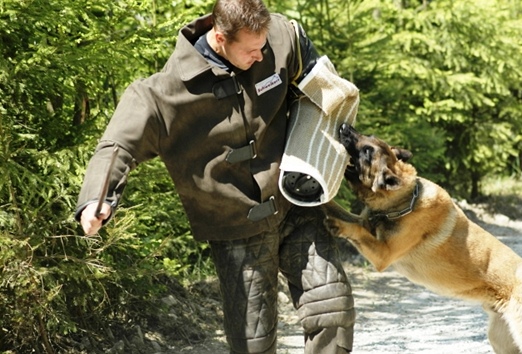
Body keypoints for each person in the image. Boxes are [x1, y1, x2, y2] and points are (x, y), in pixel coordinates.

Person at [74, 0, 356, 353]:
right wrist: (96, 201)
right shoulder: (161, 94)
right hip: (235, 224)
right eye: (251, 50)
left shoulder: (283, 38)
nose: (261, 54)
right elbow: (117, 146)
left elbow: (325, 90)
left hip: (294, 201)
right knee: (253, 343)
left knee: (333, 309)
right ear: (220, 37)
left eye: (264, 45)